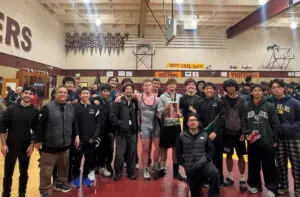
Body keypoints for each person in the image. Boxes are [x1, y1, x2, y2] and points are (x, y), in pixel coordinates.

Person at [35, 86, 80, 197]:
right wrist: (38, 141)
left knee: (64, 167)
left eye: (65, 93)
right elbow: (40, 126)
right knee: (46, 170)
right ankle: (44, 190)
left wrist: (77, 135)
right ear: (55, 94)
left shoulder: (70, 107)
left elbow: (74, 123)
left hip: (65, 145)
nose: (63, 94)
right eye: (60, 92)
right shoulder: (47, 108)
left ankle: (60, 183)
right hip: (50, 146)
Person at [0, 86, 39, 197]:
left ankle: (22, 193)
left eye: (30, 93)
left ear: (33, 96)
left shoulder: (35, 111)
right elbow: (2, 127)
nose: (28, 95)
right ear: (21, 94)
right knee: (8, 173)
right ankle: (6, 193)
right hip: (11, 145)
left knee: (24, 173)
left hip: (26, 146)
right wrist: (3, 144)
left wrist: (32, 145)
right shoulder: (11, 109)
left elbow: (37, 130)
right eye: (26, 93)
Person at [242, 84, 280, 197]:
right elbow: (243, 122)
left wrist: (274, 139)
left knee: (269, 166)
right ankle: (254, 185)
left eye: (259, 90)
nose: (257, 92)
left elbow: (275, 124)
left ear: (263, 93)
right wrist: (247, 134)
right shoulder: (246, 106)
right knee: (253, 166)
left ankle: (271, 187)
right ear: (252, 92)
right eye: (255, 90)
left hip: (267, 142)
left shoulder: (270, 106)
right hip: (252, 142)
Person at [176, 113, 220, 197]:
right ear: (187, 123)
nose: (192, 122)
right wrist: (184, 164)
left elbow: (211, 150)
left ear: (198, 122)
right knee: (195, 193)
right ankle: (198, 184)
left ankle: (213, 195)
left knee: (215, 172)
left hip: (204, 164)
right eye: (190, 120)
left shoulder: (204, 135)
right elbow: (178, 154)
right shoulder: (181, 136)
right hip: (191, 167)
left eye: (194, 120)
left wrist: (206, 159)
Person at [269, 79, 300, 196]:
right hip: (278, 139)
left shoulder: (294, 102)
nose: (276, 89)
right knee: (280, 164)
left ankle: (298, 188)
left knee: (297, 164)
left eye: (278, 87)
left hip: (293, 138)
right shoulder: (269, 102)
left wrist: (289, 128)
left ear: (283, 88)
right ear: (271, 90)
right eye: (274, 87)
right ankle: (283, 186)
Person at [194, 82, 224, 187]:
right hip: (204, 134)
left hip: (217, 134)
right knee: (204, 158)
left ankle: (219, 181)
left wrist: (215, 131)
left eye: (211, 88)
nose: (209, 90)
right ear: (204, 90)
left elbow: (222, 118)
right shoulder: (199, 102)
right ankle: (205, 179)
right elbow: (198, 119)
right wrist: (204, 132)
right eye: (207, 88)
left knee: (217, 158)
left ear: (214, 90)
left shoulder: (219, 101)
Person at [220, 79, 247, 191]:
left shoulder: (243, 100)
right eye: (228, 86)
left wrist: (244, 132)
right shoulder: (222, 100)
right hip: (226, 133)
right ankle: (230, 176)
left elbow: (245, 117)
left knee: (241, 155)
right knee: (228, 155)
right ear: (225, 88)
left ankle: (242, 178)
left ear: (236, 87)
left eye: (232, 86)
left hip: (239, 133)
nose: (230, 88)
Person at [157, 78, 186, 181]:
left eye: (173, 84)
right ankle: (161, 169)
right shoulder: (162, 97)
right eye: (170, 84)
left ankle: (175, 172)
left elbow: (183, 110)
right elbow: (159, 111)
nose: (172, 86)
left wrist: (180, 114)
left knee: (176, 149)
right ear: (167, 86)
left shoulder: (180, 97)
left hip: (177, 125)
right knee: (163, 149)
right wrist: (166, 108)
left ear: (176, 85)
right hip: (166, 126)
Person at [72, 87, 101, 188]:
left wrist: (95, 135)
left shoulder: (94, 107)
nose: (85, 95)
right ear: (79, 95)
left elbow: (98, 124)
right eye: (83, 93)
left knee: (89, 160)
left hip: (91, 139)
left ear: (89, 95)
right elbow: (74, 123)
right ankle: (76, 177)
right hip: (78, 140)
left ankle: (85, 177)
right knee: (77, 160)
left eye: (87, 93)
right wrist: (77, 135)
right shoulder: (75, 107)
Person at [110, 84, 138, 181]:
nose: (129, 90)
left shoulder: (134, 102)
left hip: (132, 132)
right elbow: (112, 116)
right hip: (121, 133)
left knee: (132, 153)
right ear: (124, 91)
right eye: (127, 89)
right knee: (119, 154)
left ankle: (131, 173)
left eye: (131, 89)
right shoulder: (118, 102)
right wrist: (121, 124)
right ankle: (118, 172)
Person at [138, 79, 160, 180]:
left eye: (149, 85)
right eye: (145, 85)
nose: (147, 87)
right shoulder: (139, 97)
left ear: (152, 87)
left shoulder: (157, 99)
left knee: (158, 148)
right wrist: (119, 97)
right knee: (145, 149)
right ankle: (145, 168)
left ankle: (155, 165)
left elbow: (161, 112)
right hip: (144, 126)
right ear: (143, 87)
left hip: (155, 126)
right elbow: (127, 95)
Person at [96, 84, 114, 177]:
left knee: (109, 149)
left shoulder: (111, 102)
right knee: (98, 149)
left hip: (108, 130)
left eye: (108, 91)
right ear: (100, 91)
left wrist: (112, 130)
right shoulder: (95, 101)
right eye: (104, 91)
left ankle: (106, 166)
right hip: (98, 130)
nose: (106, 93)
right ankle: (98, 166)